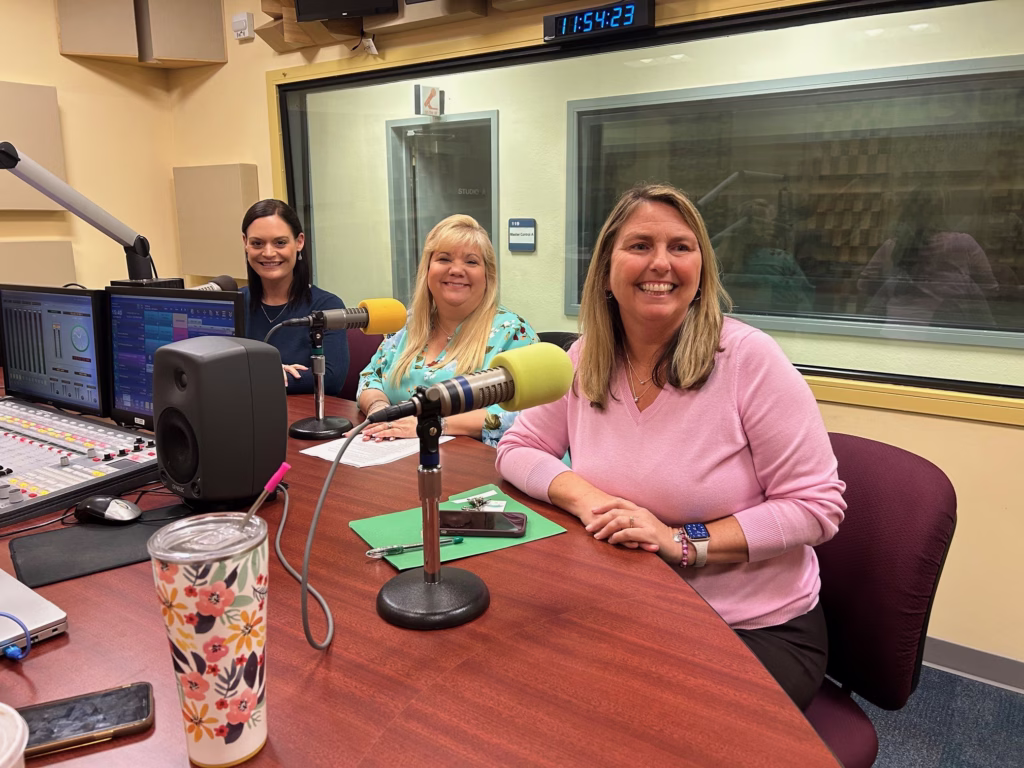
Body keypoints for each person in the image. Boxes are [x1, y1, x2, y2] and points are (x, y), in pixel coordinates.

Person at [496, 183, 846, 710]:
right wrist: (586, 497)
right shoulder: (585, 356)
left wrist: (680, 541)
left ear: (701, 269)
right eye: (639, 246)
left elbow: (816, 508)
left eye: (680, 247)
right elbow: (518, 447)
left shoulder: (750, 361)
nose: (661, 263)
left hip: (748, 628)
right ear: (606, 271)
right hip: (626, 603)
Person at [356, 214, 538, 447]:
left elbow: (523, 416)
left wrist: (433, 425)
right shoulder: (409, 324)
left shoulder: (513, 333)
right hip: (398, 457)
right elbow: (370, 377)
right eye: (444, 259)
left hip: (483, 465)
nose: (456, 270)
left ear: (487, 276)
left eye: (471, 262)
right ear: (428, 269)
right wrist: (380, 410)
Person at [240, 199, 349, 395]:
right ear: (245, 244)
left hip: (302, 419)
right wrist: (272, 374)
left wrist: (261, 376)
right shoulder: (235, 303)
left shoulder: (326, 306)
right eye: (257, 243)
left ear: (299, 242)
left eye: (280, 243)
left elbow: (331, 379)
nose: (268, 253)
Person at [858, 187, 998, 326]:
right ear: (942, 212)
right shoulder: (964, 243)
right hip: (949, 333)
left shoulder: (891, 246)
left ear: (907, 211)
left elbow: (863, 284)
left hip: (896, 331)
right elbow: (991, 289)